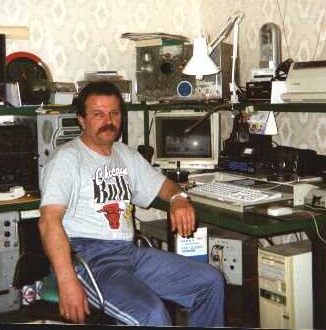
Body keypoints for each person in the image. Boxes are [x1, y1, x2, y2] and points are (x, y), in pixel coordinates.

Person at [38, 81, 225, 326]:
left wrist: (178, 199)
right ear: (81, 120)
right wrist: (66, 280)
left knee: (210, 280)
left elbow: (164, 185)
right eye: (98, 114)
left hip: (128, 252)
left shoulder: (126, 155)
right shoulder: (66, 159)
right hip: (88, 259)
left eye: (114, 113)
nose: (109, 121)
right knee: (151, 313)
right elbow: (48, 223)